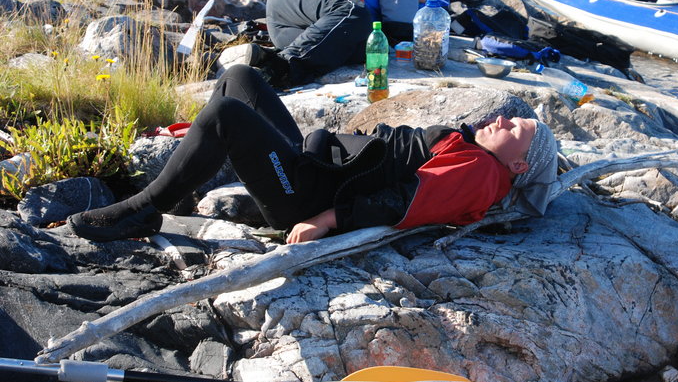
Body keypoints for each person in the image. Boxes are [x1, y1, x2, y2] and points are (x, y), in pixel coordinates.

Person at [68, 65, 558, 244]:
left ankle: (143, 210)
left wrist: (326, 218)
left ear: (519, 165)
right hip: (313, 163)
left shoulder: (481, 175)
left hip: (303, 195)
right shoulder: (476, 150)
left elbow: (403, 203)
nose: (504, 117)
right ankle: (178, 191)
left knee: (226, 115)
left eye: (517, 127)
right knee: (241, 79)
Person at [261, 0, 437, 86]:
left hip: (289, 31)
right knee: (353, 12)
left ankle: (260, 56)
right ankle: (278, 70)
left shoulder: (378, 16)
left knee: (362, 50)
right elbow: (401, 29)